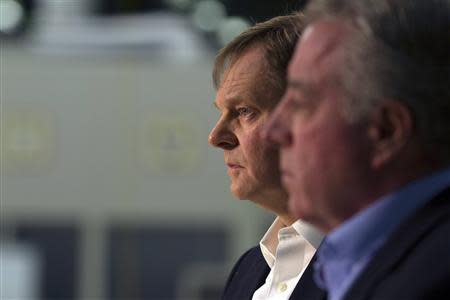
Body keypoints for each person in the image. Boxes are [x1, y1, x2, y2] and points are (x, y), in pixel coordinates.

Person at [263, 0, 450, 299]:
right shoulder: (342, 263)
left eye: (300, 104)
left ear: (386, 131)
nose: (272, 133)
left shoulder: (432, 281)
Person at [208, 13, 324, 300]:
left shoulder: (373, 266)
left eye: (244, 111)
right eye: (221, 112)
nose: (216, 137)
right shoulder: (248, 269)